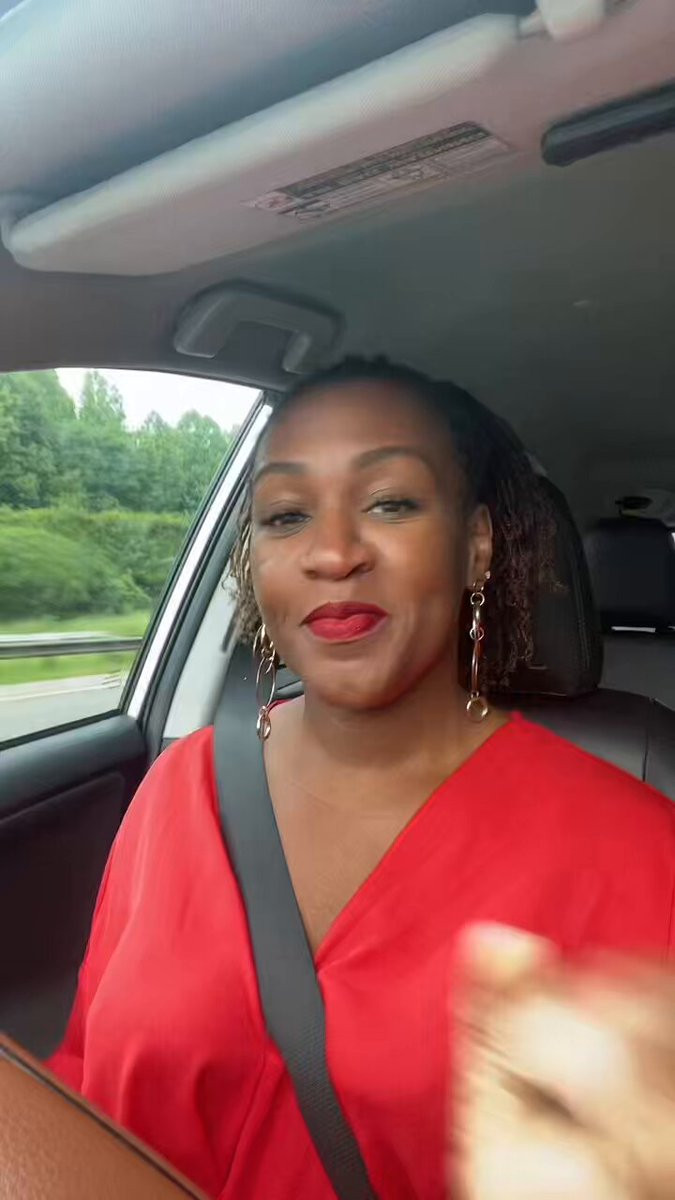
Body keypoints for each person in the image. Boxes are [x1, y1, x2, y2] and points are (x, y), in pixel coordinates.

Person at [49, 359, 675, 1200]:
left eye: (390, 502)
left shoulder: (641, 850)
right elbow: (83, 1077)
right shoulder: (179, 785)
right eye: (286, 514)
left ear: (476, 546)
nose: (333, 553)